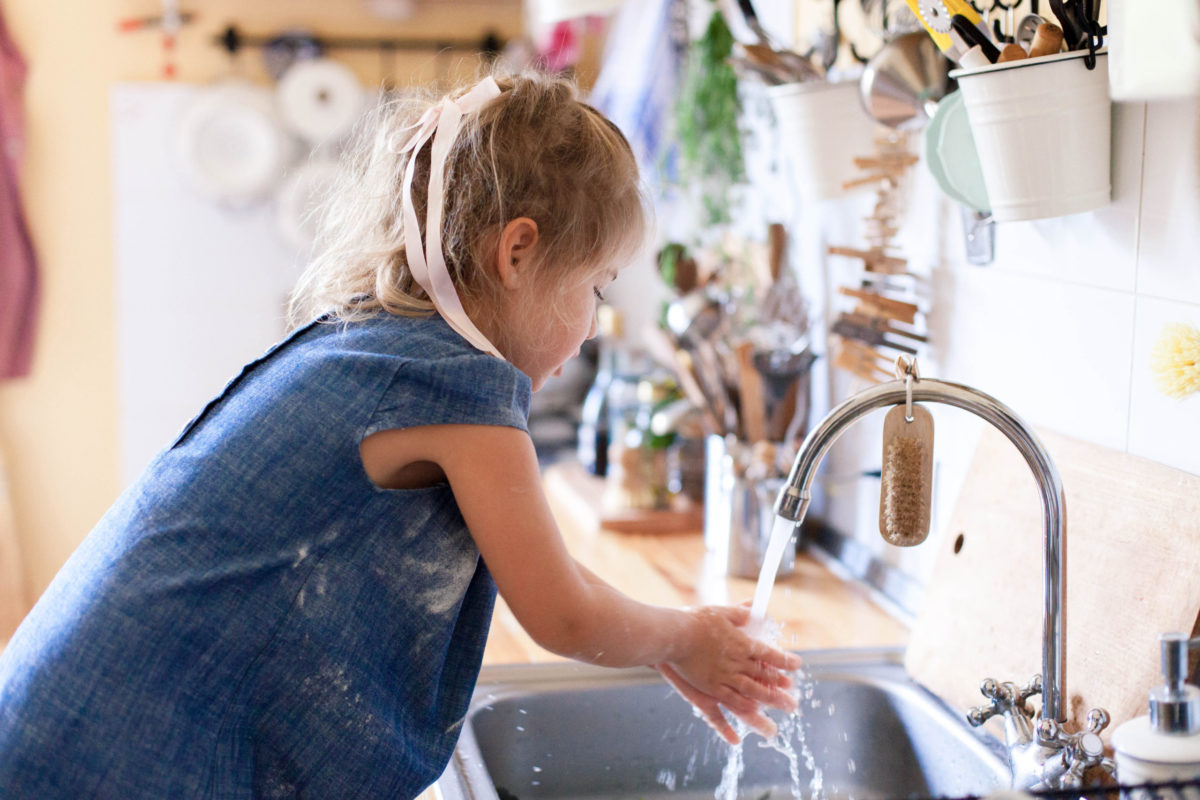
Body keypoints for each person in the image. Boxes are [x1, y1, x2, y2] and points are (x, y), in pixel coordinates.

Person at [0, 69, 800, 798]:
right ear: (518, 252)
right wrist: (684, 638)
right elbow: (564, 614)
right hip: (103, 758)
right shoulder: (454, 383)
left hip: (60, 722)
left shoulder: (373, 342)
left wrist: (674, 644)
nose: (595, 324)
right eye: (595, 285)